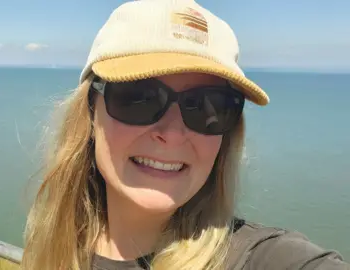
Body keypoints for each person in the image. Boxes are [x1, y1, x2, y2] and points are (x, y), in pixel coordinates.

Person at [21, 0, 349, 269]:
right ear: (91, 111)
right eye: (140, 97)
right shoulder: (54, 248)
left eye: (209, 106)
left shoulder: (265, 259)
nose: (173, 134)